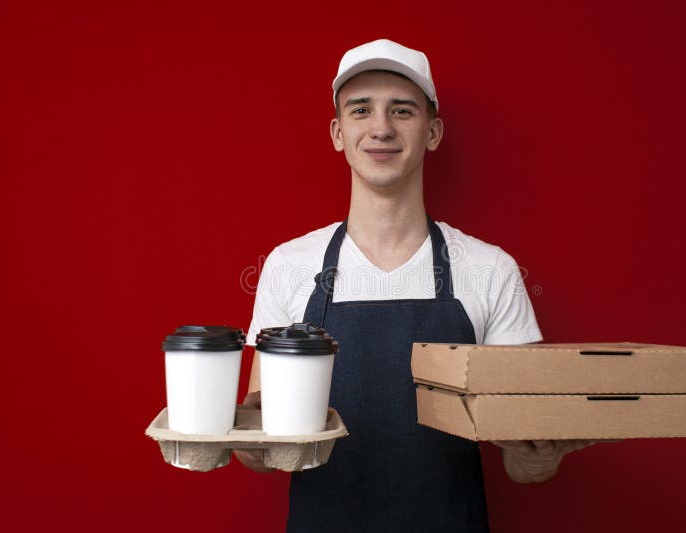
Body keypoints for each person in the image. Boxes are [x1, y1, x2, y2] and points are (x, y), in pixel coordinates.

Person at [235, 38, 603, 532]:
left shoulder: (490, 269)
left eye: (402, 111)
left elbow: (523, 463)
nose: (381, 128)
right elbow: (263, 452)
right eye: (360, 110)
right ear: (338, 133)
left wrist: (540, 454)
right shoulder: (287, 266)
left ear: (432, 132)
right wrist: (229, 432)